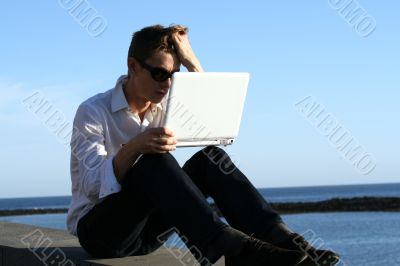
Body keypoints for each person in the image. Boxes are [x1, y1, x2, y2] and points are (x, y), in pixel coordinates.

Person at [67, 24, 340, 266]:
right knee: (153, 159)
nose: (167, 84)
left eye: (174, 75)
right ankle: (228, 246)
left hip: (149, 233)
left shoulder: (165, 105)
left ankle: (284, 241)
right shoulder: (93, 111)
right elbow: (92, 186)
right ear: (132, 66)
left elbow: (214, 128)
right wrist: (135, 146)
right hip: (102, 234)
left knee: (211, 158)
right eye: (160, 74)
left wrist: (192, 62)